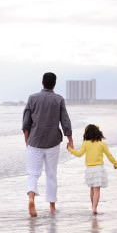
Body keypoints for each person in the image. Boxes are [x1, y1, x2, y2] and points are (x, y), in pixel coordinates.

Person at [22, 72, 73, 217]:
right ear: (54, 84)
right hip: (53, 142)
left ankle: (31, 198)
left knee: (33, 173)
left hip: (35, 141)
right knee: (51, 174)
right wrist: (70, 139)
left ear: (42, 82)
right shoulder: (59, 99)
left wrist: (27, 139)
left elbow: (26, 122)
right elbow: (65, 121)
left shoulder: (32, 98)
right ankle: (51, 206)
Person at [67, 124, 117, 215]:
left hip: (89, 169)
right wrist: (115, 164)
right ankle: (95, 208)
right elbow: (109, 155)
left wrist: (70, 149)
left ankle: (93, 207)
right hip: (99, 169)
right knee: (97, 190)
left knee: (92, 189)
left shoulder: (86, 143)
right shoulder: (102, 144)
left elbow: (79, 154)